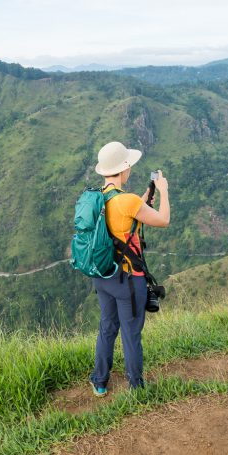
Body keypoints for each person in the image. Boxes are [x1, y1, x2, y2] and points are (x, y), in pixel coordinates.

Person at [89, 141, 170, 396]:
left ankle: (100, 383)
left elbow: (119, 220)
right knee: (131, 333)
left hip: (103, 276)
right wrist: (163, 192)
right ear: (124, 170)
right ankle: (136, 386)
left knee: (107, 327)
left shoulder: (96, 198)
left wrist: (143, 201)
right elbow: (163, 220)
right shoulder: (129, 201)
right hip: (128, 281)